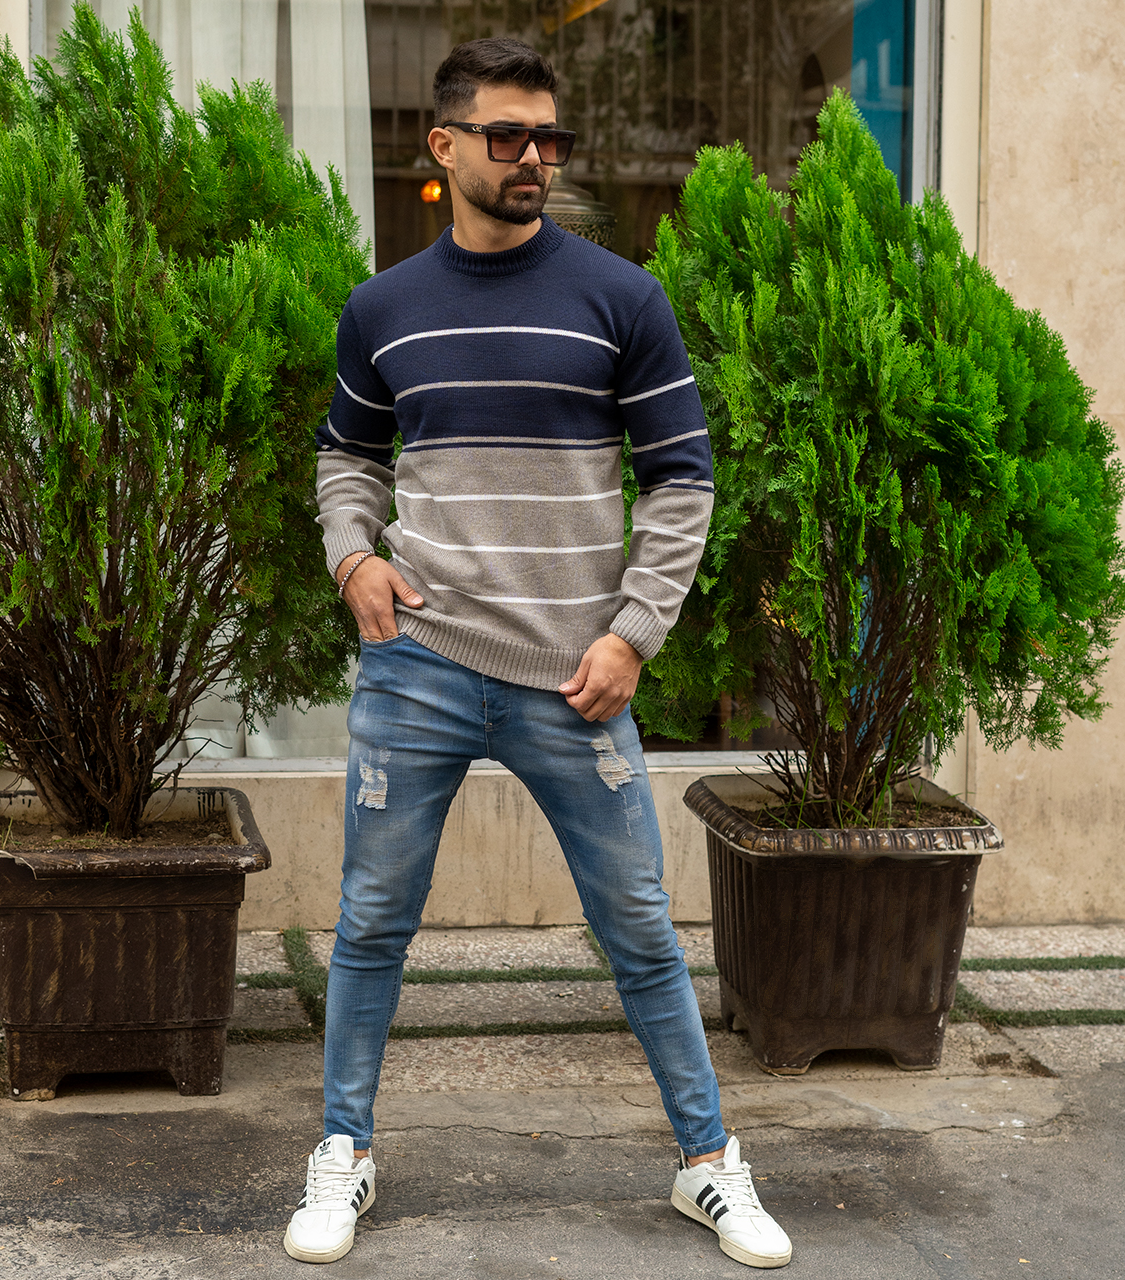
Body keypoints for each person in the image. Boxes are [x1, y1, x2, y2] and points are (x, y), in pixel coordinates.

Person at [282, 36, 793, 1270]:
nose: (533, 158)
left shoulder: (621, 298)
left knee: (639, 929)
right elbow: (345, 457)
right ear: (443, 145)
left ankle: (706, 1161)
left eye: (547, 139)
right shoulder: (382, 310)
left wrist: (632, 633)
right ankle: (343, 1148)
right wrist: (353, 559)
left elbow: (681, 480)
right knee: (370, 921)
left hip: (575, 676)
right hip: (418, 660)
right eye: (506, 136)